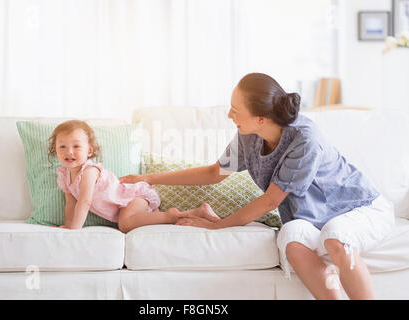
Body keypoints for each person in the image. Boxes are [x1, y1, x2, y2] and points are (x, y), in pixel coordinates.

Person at [120, 73, 395, 300]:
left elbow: (270, 202)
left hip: (358, 209)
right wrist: (150, 178)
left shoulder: (304, 139)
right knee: (291, 236)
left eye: (236, 110)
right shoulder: (248, 136)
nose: (229, 114)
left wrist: (220, 225)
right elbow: (215, 172)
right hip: (313, 219)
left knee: (336, 236)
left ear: (261, 118)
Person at [49, 120, 219, 232]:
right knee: (128, 220)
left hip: (134, 195)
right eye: (62, 146)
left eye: (76, 146)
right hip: (124, 205)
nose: (69, 152)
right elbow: (70, 204)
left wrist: (75, 230)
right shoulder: (64, 175)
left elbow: (84, 202)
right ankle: (198, 211)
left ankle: (172, 215)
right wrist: (68, 225)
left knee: (125, 224)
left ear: (89, 151)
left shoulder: (89, 171)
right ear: (55, 150)